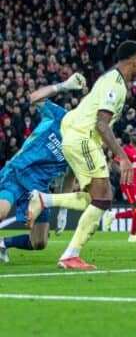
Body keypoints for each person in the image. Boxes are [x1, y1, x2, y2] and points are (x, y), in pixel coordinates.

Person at [28, 41, 136, 269]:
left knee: (94, 199)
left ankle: (44, 200)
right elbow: (102, 124)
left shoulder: (107, 78)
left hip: (75, 134)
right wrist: (123, 157)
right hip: (83, 137)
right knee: (103, 198)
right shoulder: (115, 84)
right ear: (134, 61)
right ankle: (70, 254)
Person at [0, 73, 87, 262]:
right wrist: (63, 85)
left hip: (39, 191)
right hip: (18, 172)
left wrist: (63, 211)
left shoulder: (80, 143)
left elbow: (70, 177)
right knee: (2, 212)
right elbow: (34, 97)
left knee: (39, 241)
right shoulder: (59, 116)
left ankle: (3, 244)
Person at [104, 128, 136, 242]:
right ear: (130, 137)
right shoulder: (125, 150)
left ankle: (114, 217)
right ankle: (132, 236)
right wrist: (124, 173)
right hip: (128, 182)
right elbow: (114, 164)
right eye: (135, 135)